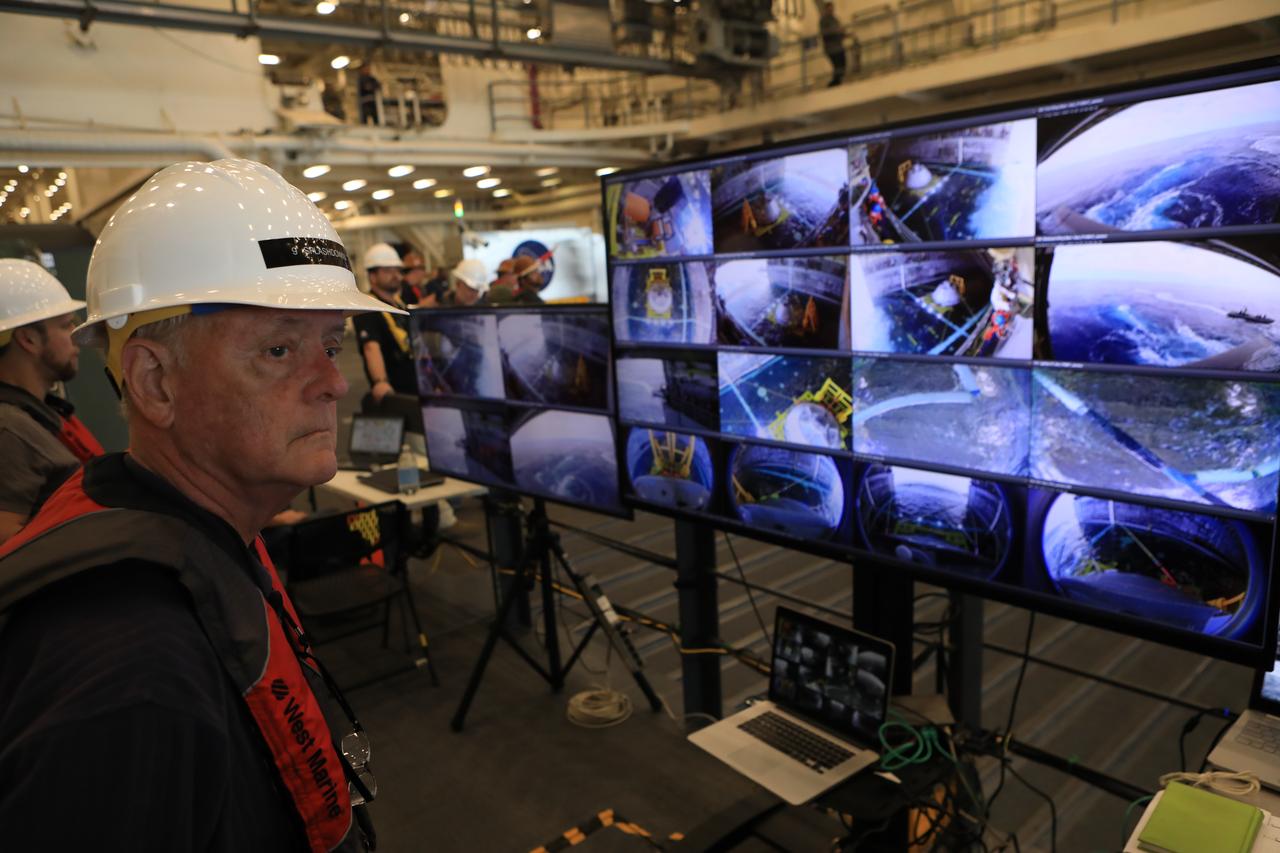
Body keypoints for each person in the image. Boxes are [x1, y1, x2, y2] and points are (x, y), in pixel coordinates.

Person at [0, 159, 393, 851]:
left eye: (330, 344)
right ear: (154, 382)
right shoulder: (130, 677)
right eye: (279, 348)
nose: (333, 380)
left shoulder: (191, 534)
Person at [0, 259, 104, 543]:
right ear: (29, 340)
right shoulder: (8, 430)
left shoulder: (36, 415)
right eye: (65, 325)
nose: (77, 337)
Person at [352, 242, 416, 402]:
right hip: (395, 393)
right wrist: (380, 381)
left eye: (398, 271)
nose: (396, 276)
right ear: (372, 276)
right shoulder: (367, 307)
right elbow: (370, 347)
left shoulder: (398, 303)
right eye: (388, 271)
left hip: (414, 386)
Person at [820, 2, 846, 87]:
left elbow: (840, 30)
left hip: (839, 46)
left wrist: (845, 34)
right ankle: (836, 82)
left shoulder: (835, 19)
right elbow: (824, 32)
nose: (831, 11)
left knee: (842, 64)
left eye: (832, 9)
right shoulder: (824, 20)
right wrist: (835, 30)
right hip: (831, 48)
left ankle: (838, 81)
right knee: (837, 65)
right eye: (829, 9)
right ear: (826, 10)